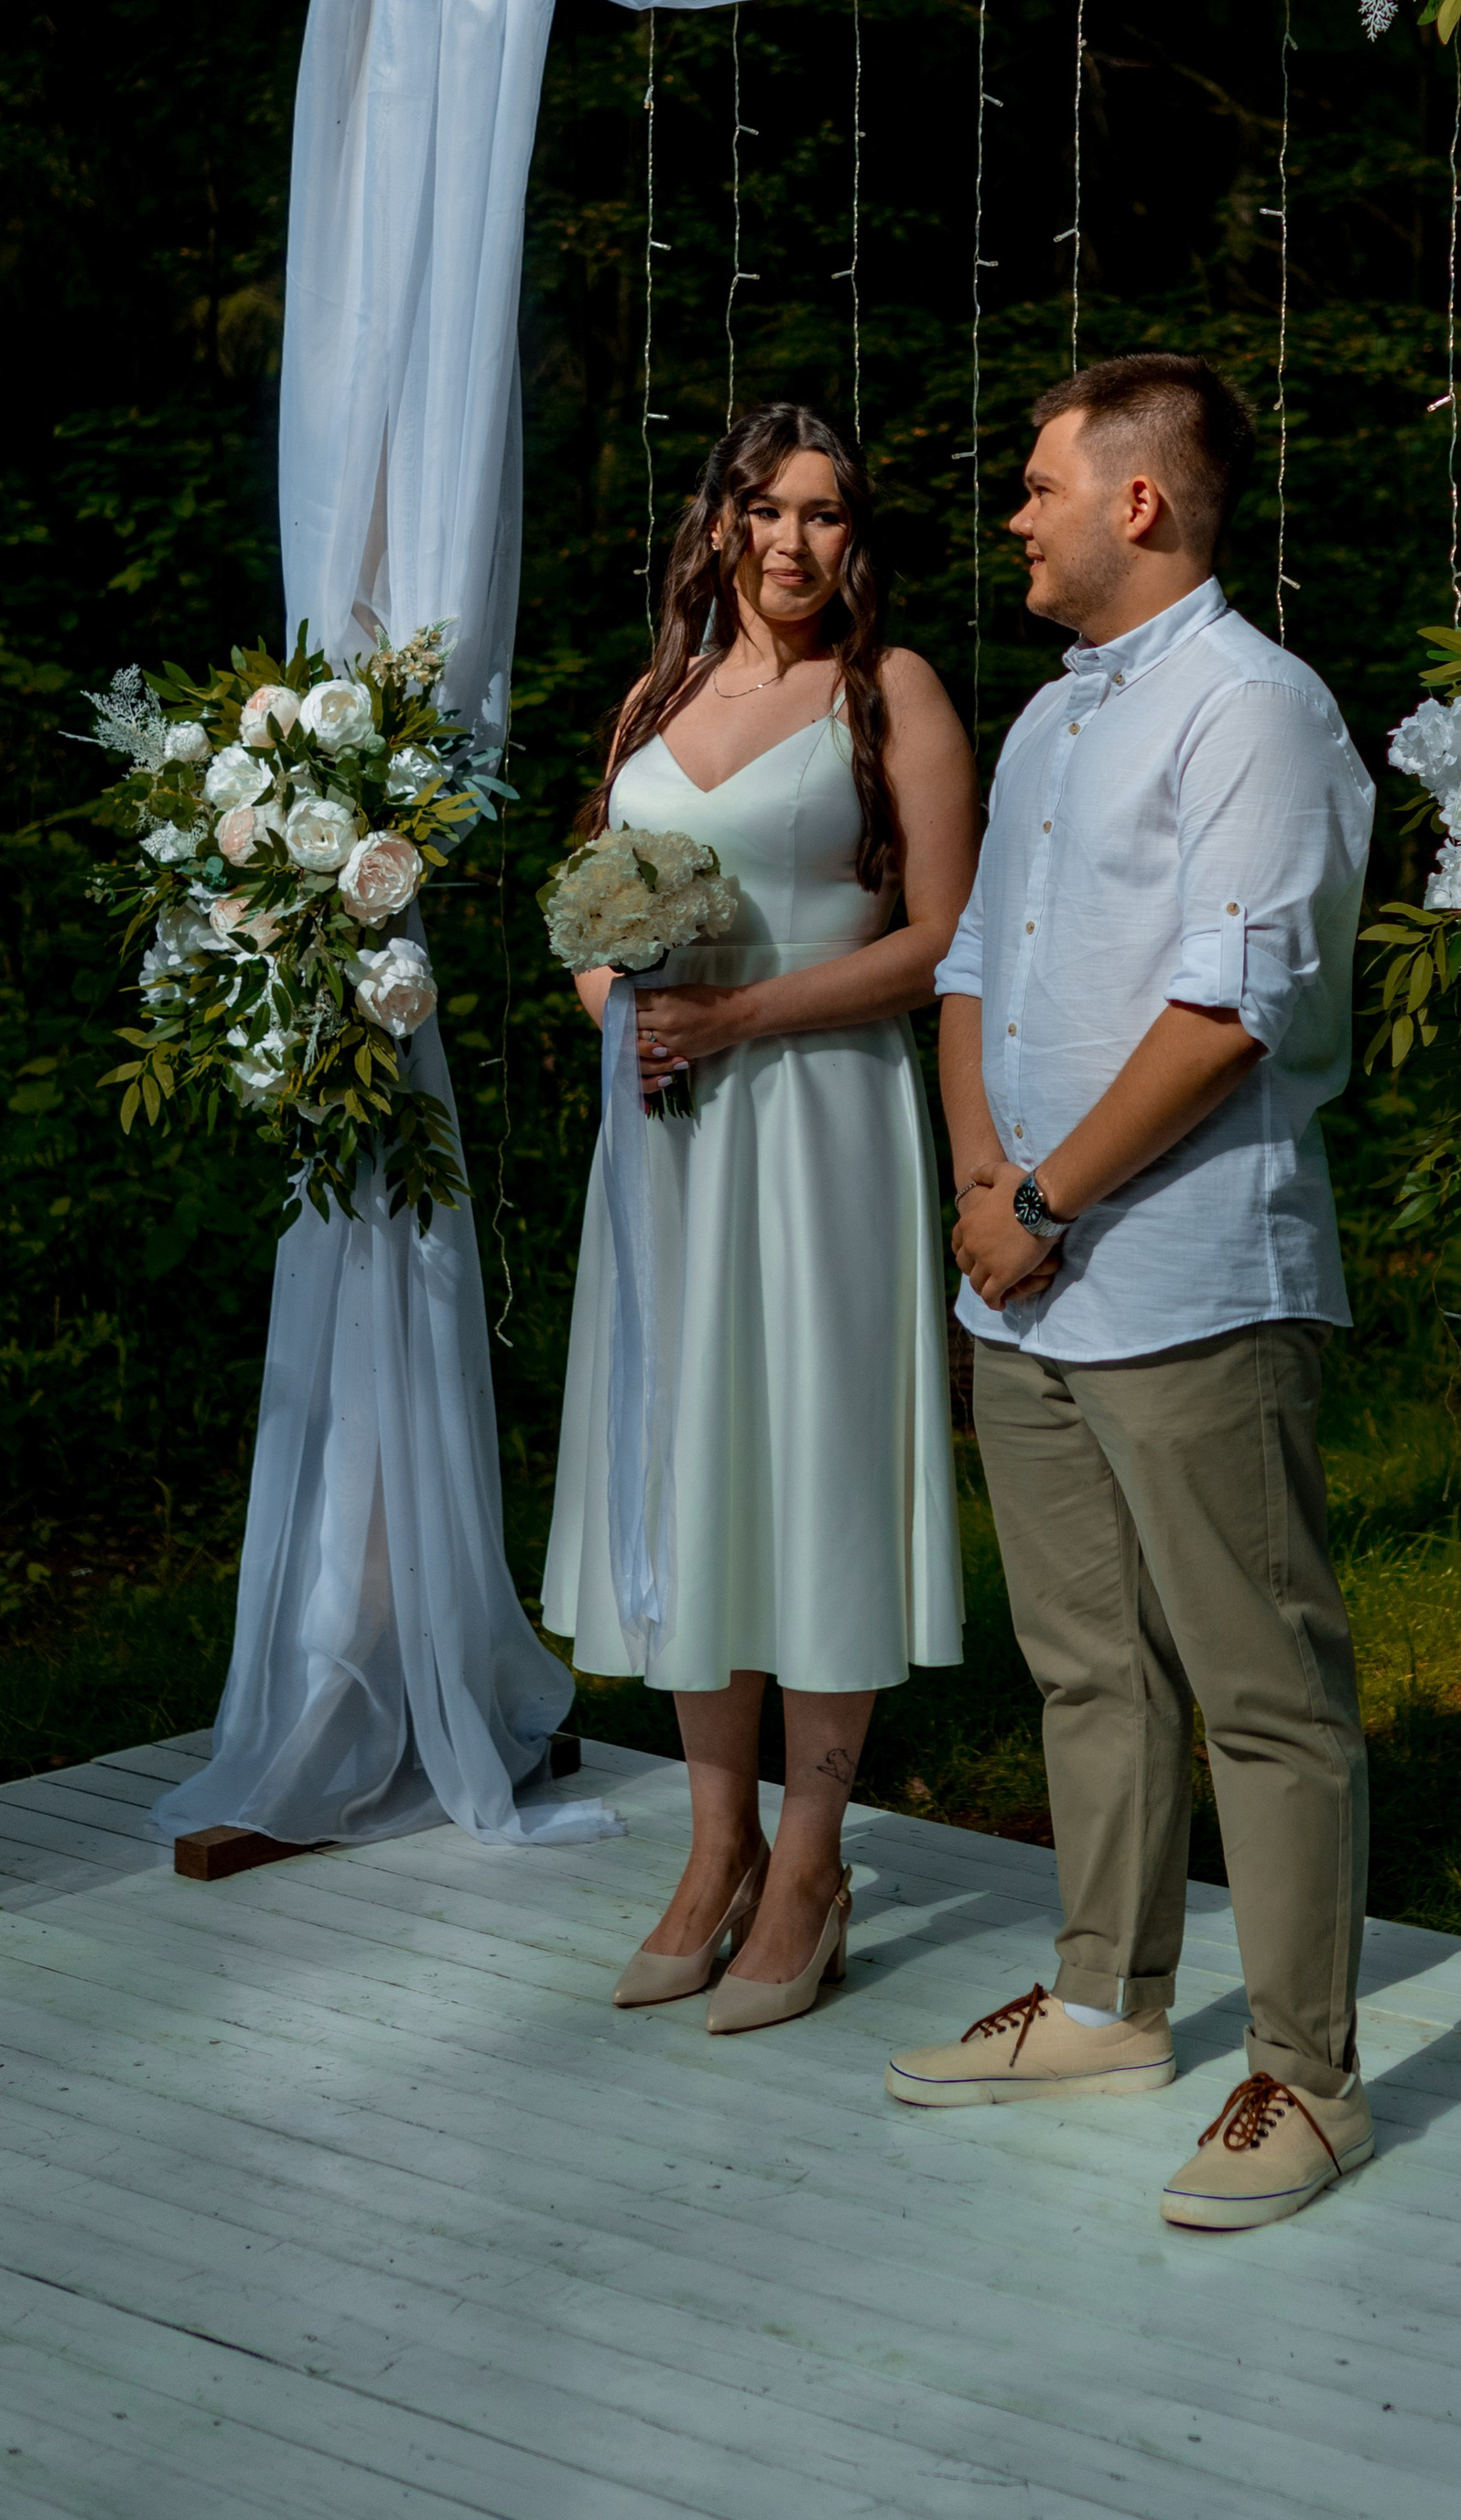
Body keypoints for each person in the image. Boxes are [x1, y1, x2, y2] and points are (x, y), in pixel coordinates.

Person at [882, 352, 1378, 2231]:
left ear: (1137, 505)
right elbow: (968, 974)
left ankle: (1306, 2077)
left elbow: (1230, 1012)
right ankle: (1104, 1994)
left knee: (1259, 1685)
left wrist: (1052, 1198)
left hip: (1178, 1271)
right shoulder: (1048, 721)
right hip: (1024, 1271)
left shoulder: (1256, 712)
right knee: (1085, 1664)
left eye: (1034, 484)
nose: (1013, 512)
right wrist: (979, 1192)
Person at [542, 402, 975, 2033]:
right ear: (720, 524)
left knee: (812, 1460)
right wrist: (615, 1004)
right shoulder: (656, 700)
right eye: (769, 512)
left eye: (830, 517)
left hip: (819, 1122)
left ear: (856, 541)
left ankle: (810, 1860)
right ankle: (711, 1847)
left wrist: (743, 1018)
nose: (797, 545)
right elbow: (593, 907)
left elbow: (944, 936)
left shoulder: (890, 694)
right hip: (663, 1134)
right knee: (692, 1458)